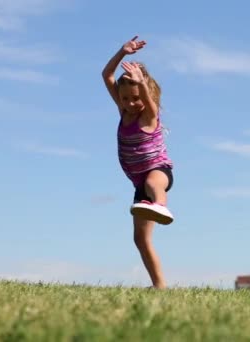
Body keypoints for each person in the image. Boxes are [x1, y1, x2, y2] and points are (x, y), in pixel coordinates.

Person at [102, 35, 174, 289]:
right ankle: (159, 285)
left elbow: (147, 100)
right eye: (125, 99)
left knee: (155, 182)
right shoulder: (124, 112)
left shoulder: (149, 116)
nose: (131, 103)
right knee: (141, 240)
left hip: (159, 171)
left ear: (145, 95)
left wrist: (141, 82)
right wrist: (122, 52)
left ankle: (161, 205)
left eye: (136, 98)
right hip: (139, 183)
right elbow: (107, 75)